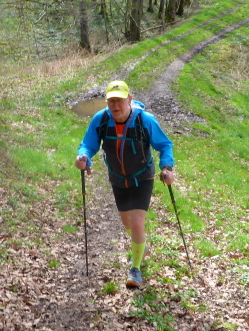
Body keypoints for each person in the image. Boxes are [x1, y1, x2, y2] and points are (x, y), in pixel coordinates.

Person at [75, 80, 175, 288]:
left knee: (137, 223)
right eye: (111, 101)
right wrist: (83, 157)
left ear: (129, 99)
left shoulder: (145, 120)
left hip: (142, 176)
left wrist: (167, 167)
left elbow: (164, 145)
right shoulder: (101, 120)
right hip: (117, 178)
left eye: (119, 100)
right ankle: (142, 246)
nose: (115, 106)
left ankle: (135, 268)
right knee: (128, 224)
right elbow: (88, 144)